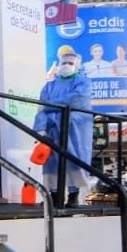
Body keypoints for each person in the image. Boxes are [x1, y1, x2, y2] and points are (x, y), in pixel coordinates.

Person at [34, 46, 93, 207]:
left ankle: (73, 195)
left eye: (70, 62)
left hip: (74, 129)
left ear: (76, 65)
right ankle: (53, 196)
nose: (66, 65)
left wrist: (51, 106)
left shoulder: (83, 82)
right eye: (64, 62)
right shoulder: (49, 86)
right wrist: (41, 128)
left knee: (73, 161)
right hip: (52, 130)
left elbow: (76, 100)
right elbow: (41, 107)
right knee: (52, 163)